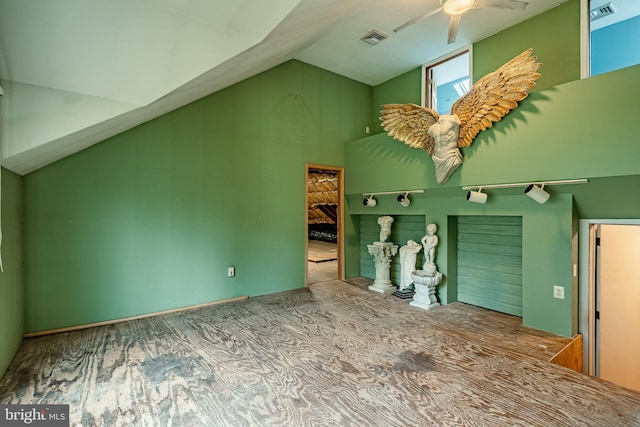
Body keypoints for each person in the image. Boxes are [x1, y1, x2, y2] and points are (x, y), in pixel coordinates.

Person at [428, 114, 463, 184]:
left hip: (450, 156)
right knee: (439, 180)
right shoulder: (432, 128)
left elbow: (459, 122)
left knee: (440, 180)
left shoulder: (453, 120)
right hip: (437, 158)